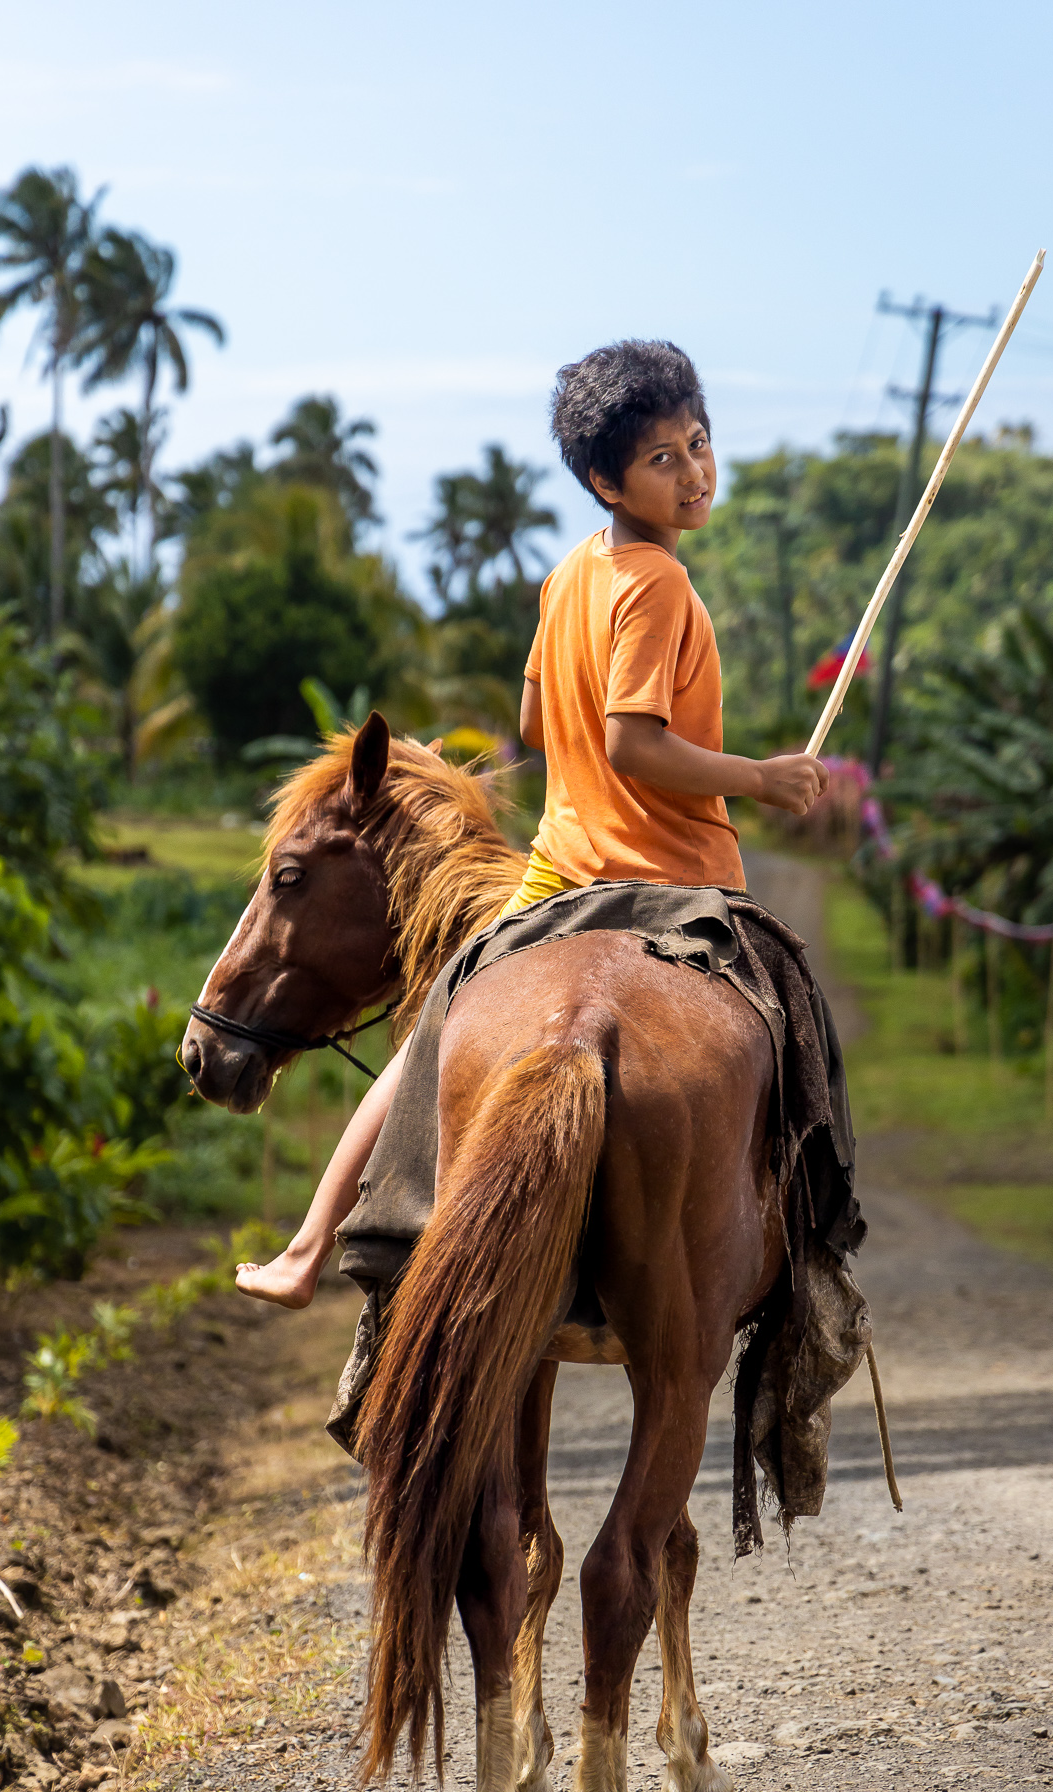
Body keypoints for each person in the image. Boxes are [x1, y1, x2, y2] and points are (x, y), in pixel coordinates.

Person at [235, 339, 826, 1308]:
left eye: (699, 442)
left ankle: (308, 1246)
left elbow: (530, 722)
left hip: (555, 877)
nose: (693, 472)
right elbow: (636, 745)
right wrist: (759, 776)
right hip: (675, 879)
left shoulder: (566, 579)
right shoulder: (662, 585)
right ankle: (812, 1270)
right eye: (662, 459)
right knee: (795, 1037)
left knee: (434, 1038)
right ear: (607, 479)